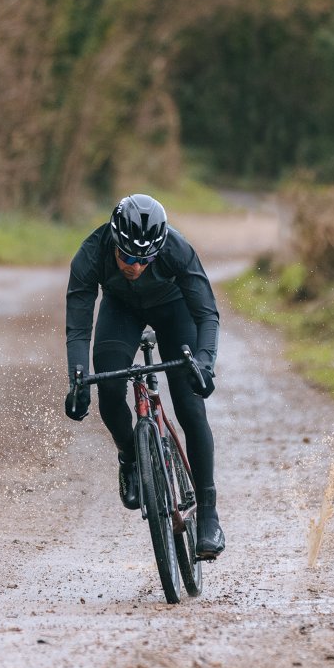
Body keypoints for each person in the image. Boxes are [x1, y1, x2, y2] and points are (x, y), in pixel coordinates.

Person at [64, 194, 225, 558]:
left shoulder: (176, 249)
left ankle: (209, 515)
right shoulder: (91, 254)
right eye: (127, 257)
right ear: (114, 243)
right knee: (106, 388)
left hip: (174, 311)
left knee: (189, 404)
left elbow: (207, 316)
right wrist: (77, 379)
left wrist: (204, 363)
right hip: (121, 311)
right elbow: (77, 329)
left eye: (144, 259)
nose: (135, 266)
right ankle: (130, 457)